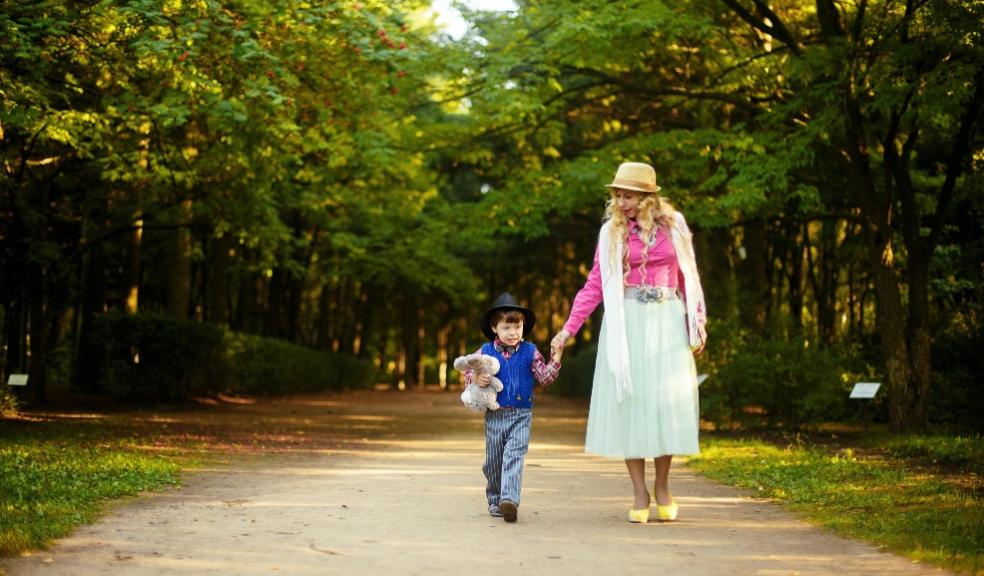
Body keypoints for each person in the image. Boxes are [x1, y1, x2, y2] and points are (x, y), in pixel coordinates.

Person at [551, 162, 706, 524]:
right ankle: (640, 491)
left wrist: (696, 322)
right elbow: (595, 285)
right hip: (628, 321)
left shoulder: (675, 226)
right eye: (618, 194)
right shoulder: (612, 234)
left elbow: (689, 276)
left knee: (664, 404)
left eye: (629, 194)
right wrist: (567, 330)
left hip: (667, 319)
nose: (622, 201)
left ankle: (663, 485)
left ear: (648, 196)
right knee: (631, 404)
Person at [462, 292, 563, 523]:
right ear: (494, 328)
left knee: (514, 456)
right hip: (495, 415)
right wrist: (476, 378)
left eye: (517, 327)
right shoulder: (485, 352)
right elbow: (469, 370)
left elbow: (545, 378)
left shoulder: (530, 351)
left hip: (521, 415)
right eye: (507, 327)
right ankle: (496, 497)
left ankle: (509, 499)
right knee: (493, 462)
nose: (513, 333)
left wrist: (556, 357)